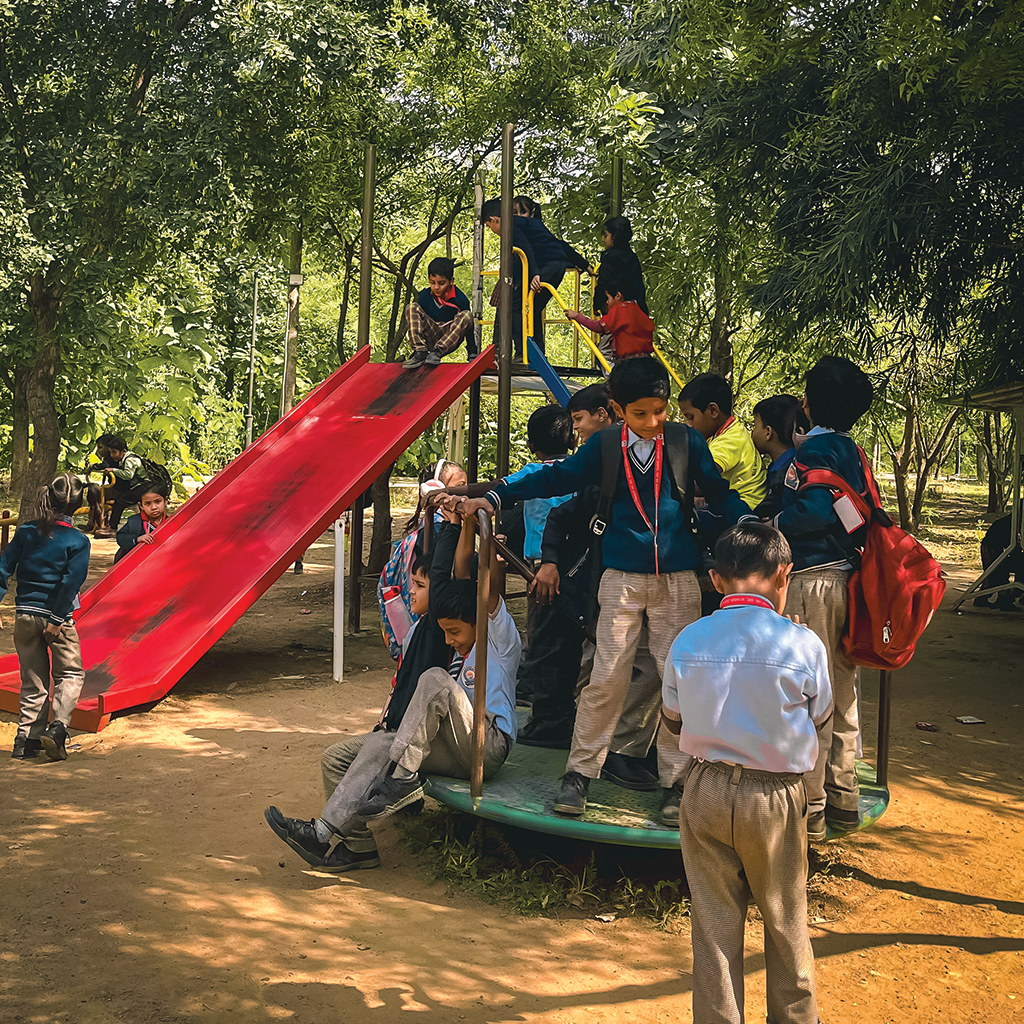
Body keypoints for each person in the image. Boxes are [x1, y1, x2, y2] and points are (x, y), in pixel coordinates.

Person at [461, 356, 753, 820]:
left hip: (678, 579)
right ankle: (579, 774)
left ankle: (677, 783)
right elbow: (553, 475)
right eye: (640, 413)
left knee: (679, 680)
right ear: (618, 409)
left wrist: (750, 521)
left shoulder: (685, 441)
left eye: (660, 410)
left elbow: (718, 492)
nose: (653, 422)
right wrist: (495, 494)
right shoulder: (605, 447)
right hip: (619, 579)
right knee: (606, 677)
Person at [265, 504, 521, 872]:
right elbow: (460, 575)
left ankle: (403, 780)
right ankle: (335, 839)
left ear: (480, 619)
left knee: (435, 679)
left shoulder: (498, 638)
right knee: (355, 751)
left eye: (455, 633)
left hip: (487, 744)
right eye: (446, 632)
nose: (449, 641)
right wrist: (461, 522)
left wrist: (477, 523)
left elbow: (482, 583)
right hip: (452, 742)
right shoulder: (443, 630)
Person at [662, 522, 832, 1024]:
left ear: (716, 579)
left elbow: (672, 722)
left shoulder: (688, 639)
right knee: (785, 920)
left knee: (713, 927)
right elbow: (820, 716)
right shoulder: (803, 645)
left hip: (705, 787)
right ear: (785, 576)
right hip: (775, 797)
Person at [771, 355, 873, 840]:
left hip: (810, 581)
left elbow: (811, 510)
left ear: (807, 403)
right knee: (842, 687)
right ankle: (842, 797)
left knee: (808, 694)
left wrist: (771, 527)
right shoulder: (853, 450)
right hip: (846, 580)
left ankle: (808, 810)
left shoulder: (811, 452)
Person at [1, 474, 102, 761]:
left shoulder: (26, 532)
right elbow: (71, 583)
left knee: (33, 679)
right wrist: (57, 619)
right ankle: (57, 729)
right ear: (79, 505)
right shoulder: (77, 540)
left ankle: (25, 741)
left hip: (24, 615)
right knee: (69, 673)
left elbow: (3, 568)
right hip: (55, 618)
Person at [377, 459, 467, 661]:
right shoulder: (437, 530)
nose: (467, 492)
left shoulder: (423, 529)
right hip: (434, 614)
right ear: (436, 490)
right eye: (460, 487)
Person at [481, 198, 586, 357]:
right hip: (557, 265)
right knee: (532, 308)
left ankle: (524, 353)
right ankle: (536, 354)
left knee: (516, 306)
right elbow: (559, 245)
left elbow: (525, 249)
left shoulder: (511, 226)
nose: (492, 230)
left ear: (495, 220)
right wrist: (584, 264)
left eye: (490, 227)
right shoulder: (531, 224)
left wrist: (535, 274)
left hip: (546, 267)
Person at [679, 373, 767, 509]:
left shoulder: (729, 440)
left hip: (744, 509)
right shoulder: (733, 430)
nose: (688, 424)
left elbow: (703, 481)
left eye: (690, 417)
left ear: (713, 411)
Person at [401, 257, 474, 369]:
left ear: (451, 281)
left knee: (467, 315)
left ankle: (436, 353)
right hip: (431, 333)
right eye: (432, 282)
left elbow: (468, 328)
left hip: (449, 337)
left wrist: (472, 353)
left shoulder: (460, 299)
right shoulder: (424, 296)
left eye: (441, 283)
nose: (436, 287)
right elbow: (417, 320)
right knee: (412, 307)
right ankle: (420, 351)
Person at [566, 279, 654, 363]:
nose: (607, 302)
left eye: (608, 298)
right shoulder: (638, 310)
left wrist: (577, 316)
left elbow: (599, 326)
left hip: (628, 359)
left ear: (618, 296)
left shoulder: (620, 310)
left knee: (603, 355)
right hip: (645, 357)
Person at [87, 434, 156, 535]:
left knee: (120, 501)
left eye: (114, 452)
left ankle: (112, 528)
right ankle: (104, 524)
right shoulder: (122, 459)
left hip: (144, 487)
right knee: (119, 500)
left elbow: (128, 475)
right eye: (110, 452)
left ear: (123, 451)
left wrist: (113, 470)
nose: (112, 455)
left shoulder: (130, 460)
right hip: (139, 487)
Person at [750, 394, 804, 519]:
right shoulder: (789, 464)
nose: (752, 432)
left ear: (768, 432)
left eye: (755, 426)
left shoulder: (788, 472)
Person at [594, 216, 648, 317]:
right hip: (635, 310)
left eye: (605, 236)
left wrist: (597, 304)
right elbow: (638, 286)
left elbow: (603, 283)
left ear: (615, 237)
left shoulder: (610, 257)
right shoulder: (632, 256)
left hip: (615, 310)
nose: (603, 239)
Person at [114, 480, 171, 564]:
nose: (154, 507)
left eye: (158, 502)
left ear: (166, 501)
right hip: (138, 564)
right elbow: (121, 538)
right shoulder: (134, 522)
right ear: (141, 506)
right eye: (148, 504)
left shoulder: (171, 522)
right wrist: (137, 539)